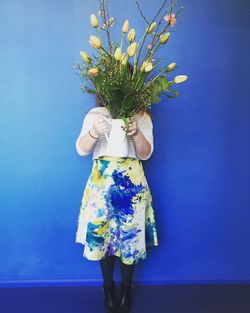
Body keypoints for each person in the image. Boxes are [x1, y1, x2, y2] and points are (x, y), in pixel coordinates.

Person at [75, 69, 158, 313]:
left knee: (129, 239)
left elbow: (146, 154)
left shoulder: (141, 115)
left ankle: (127, 289)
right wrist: (94, 132)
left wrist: (136, 133)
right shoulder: (95, 115)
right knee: (103, 237)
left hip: (132, 183)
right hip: (100, 184)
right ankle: (108, 287)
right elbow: (81, 149)